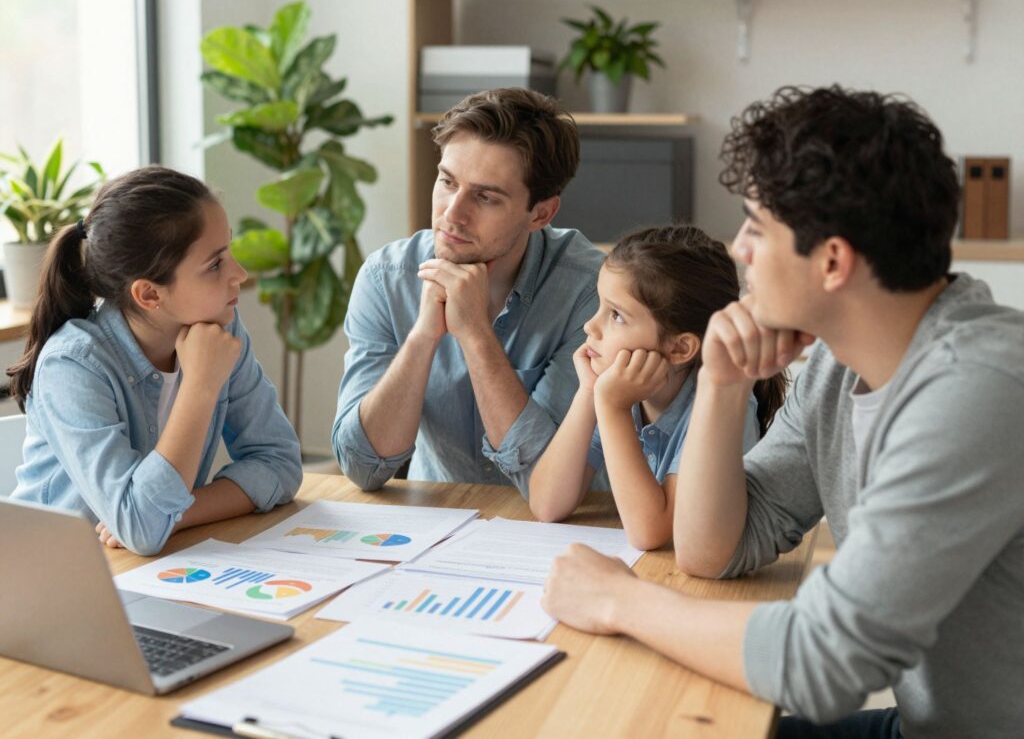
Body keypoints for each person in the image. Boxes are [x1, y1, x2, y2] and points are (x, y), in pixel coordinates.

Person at [541, 85, 1024, 738]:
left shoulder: (976, 390)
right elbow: (716, 549)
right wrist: (721, 381)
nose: (738, 248)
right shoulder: (838, 365)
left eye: (756, 227)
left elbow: (825, 662)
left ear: (832, 261)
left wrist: (618, 599)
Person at [7, 166, 302, 557]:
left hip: (148, 570)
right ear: (148, 294)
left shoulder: (220, 331)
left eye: (229, 251)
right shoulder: (73, 366)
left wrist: (175, 514)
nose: (239, 274)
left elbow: (280, 463)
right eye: (215, 264)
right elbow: (142, 529)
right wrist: (200, 385)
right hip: (52, 579)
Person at [333, 88, 605, 495]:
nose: (452, 214)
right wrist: (424, 337)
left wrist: (475, 332)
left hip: (568, 532)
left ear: (541, 213)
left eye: (486, 197)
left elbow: (545, 482)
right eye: (447, 181)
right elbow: (361, 468)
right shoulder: (386, 277)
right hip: (441, 523)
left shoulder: (590, 292)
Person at [528, 225, 785, 550]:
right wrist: (588, 393)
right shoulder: (622, 388)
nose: (590, 325)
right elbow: (547, 504)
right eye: (600, 307)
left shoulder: (718, 408)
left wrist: (611, 407)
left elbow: (652, 534)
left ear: (679, 349)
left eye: (617, 316)